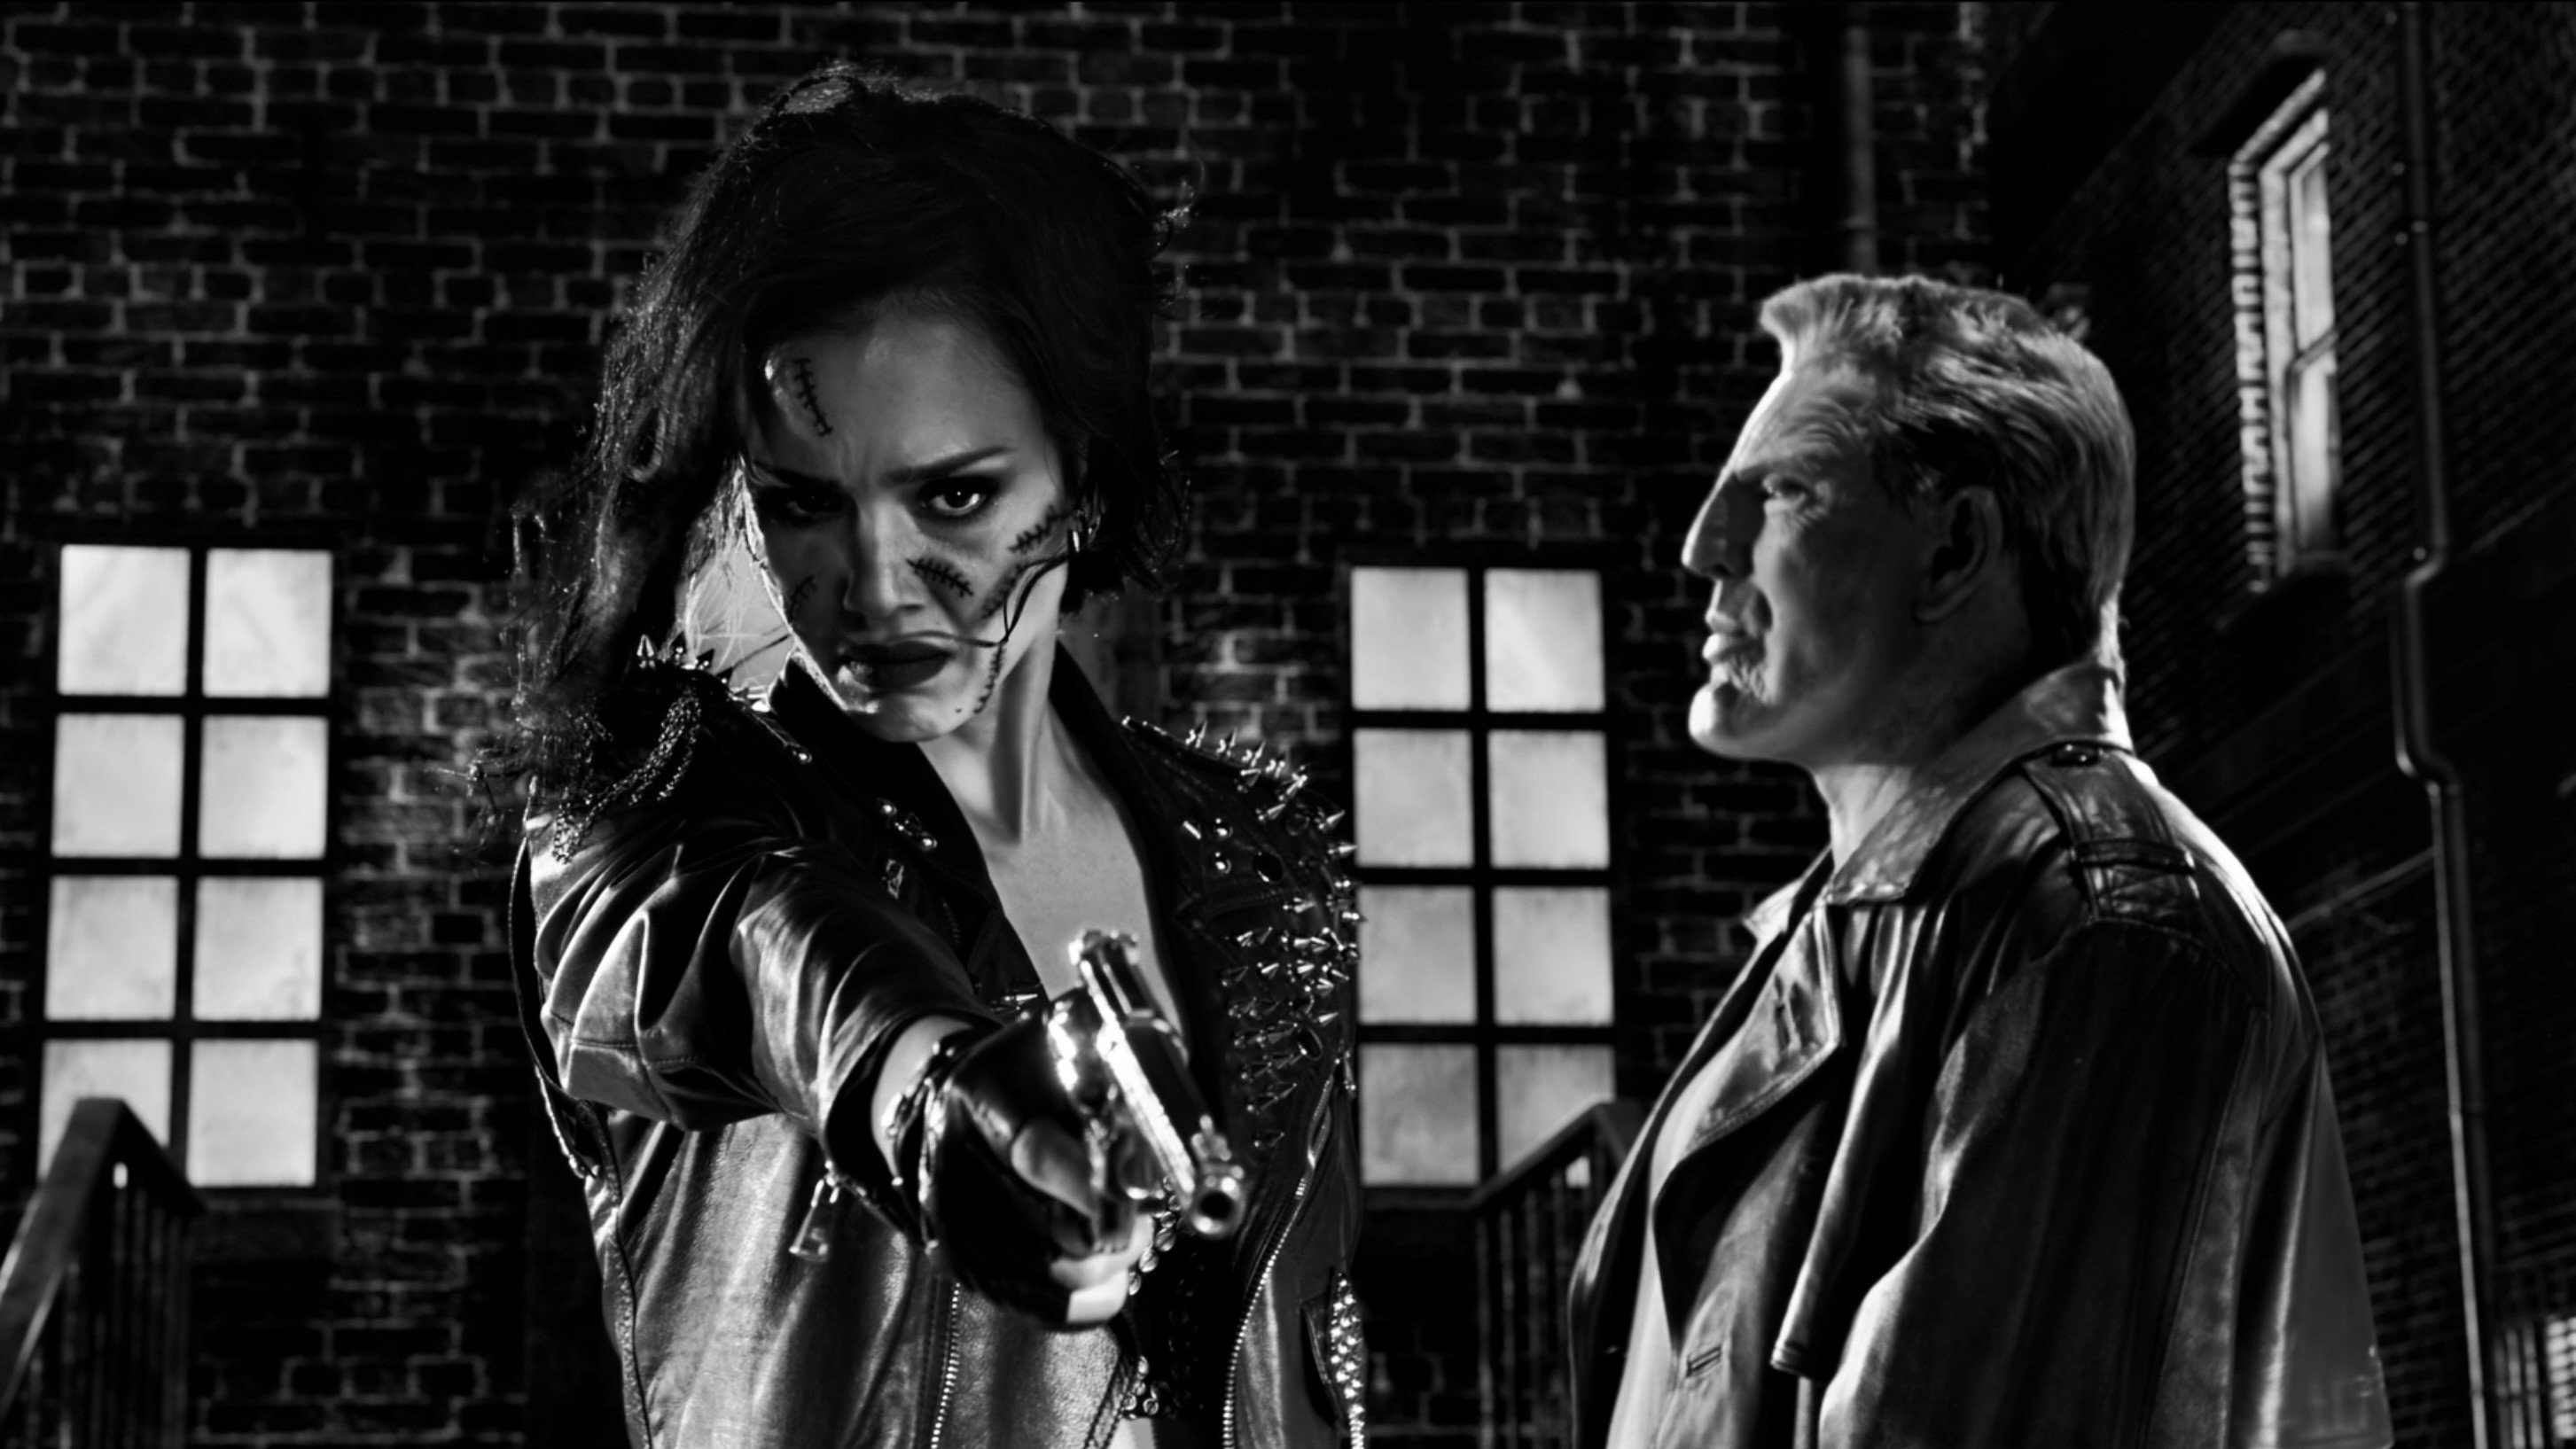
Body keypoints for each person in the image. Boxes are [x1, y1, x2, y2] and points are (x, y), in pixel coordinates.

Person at [499, 65, 1362, 1449]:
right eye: (803, 503)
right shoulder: (651, 821)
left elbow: (1305, 1354)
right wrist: (931, 1094)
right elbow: (755, 945)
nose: (873, 587)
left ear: (1086, 479)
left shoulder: (1260, 860)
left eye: (953, 494)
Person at [1567, 275, 2390, 1449]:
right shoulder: (1868, 924)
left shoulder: (2098, 928)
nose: (1704, 547)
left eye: (1784, 490)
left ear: (1954, 547)